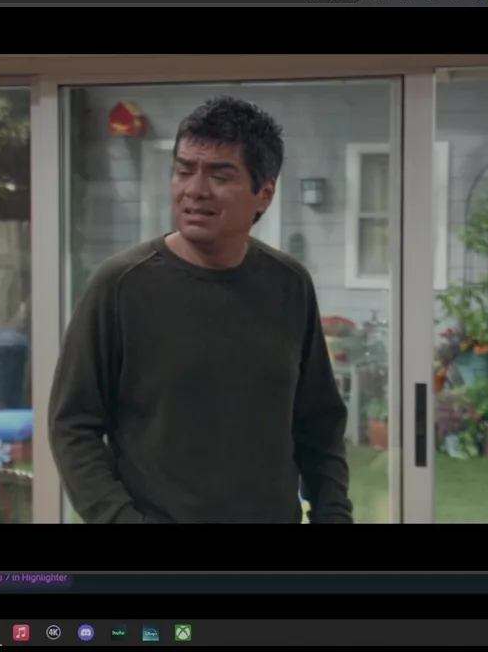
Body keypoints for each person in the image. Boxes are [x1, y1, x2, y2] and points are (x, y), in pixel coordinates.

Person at [48, 96, 353, 524]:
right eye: (184, 170)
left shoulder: (289, 284)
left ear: (264, 194)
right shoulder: (120, 286)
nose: (195, 189)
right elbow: (72, 425)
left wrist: (333, 514)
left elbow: (319, 423)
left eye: (220, 175)